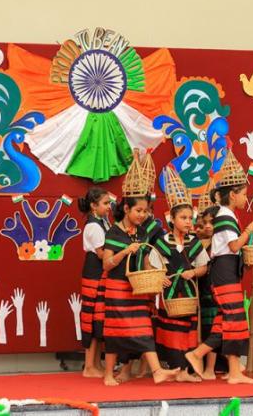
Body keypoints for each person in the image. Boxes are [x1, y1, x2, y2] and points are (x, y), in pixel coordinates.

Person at [101, 151, 180, 386]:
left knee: (144, 328)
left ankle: (157, 372)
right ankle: (108, 375)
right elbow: (107, 263)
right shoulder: (114, 232)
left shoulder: (143, 231)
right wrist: (125, 251)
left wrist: (155, 275)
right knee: (114, 331)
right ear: (126, 209)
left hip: (135, 288)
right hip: (117, 288)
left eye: (145, 211)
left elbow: (145, 259)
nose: (142, 215)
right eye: (138, 211)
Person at [184, 149, 253, 384]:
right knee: (234, 319)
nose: (245, 199)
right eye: (243, 194)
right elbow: (234, 245)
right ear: (233, 195)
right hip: (223, 272)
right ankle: (214, 362)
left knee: (227, 321)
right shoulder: (225, 215)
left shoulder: (227, 214)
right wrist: (249, 230)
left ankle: (209, 360)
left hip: (226, 271)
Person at [154, 167, 210, 383]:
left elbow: (204, 266)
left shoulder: (194, 242)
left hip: (188, 294)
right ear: (172, 219)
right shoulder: (162, 242)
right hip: (170, 295)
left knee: (188, 332)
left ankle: (185, 371)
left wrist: (192, 272)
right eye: (183, 218)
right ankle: (176, 369)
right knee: (171, 333)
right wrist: (160, 278)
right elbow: (152, 265)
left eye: (189, 218)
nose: (188, 221)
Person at [77, 187, 112, 378]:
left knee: (99, 317)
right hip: (94, 270)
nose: (109, 207)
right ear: (93, 205)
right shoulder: (93, 226)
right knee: (92, 316)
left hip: (100, 271)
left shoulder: (103, 222)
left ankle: (97, 363)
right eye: (105, 203)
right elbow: (101, 254)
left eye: (109, 203)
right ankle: (89, 366)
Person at [195, 206, 224, 380]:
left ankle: (211, 369)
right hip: (202, 292)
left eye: (210, 223)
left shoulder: (220, 242)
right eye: (203, 223)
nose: (207, 226)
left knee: (214, 330)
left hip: (215, 292)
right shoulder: (198, 244)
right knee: (205, 330)